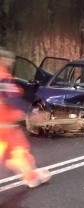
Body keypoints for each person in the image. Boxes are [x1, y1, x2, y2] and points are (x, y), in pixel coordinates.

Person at [0, 47, 51, 188]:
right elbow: (12, 99)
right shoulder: (3, 78)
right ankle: (32, 178)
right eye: (9, 59)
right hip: (6, 129)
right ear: (3, 60)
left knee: (14, 156)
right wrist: (31, 112)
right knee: (20, 153)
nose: (11, 62)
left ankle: (32, 177)